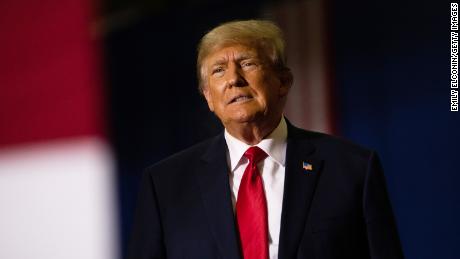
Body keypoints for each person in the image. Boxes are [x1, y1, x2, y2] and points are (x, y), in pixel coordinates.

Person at [127, 20, 404, 259]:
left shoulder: (352, 169)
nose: (234, 79)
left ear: (283, 81)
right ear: (208, 97)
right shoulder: (165, 186)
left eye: (248, 63)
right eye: (219, 70)